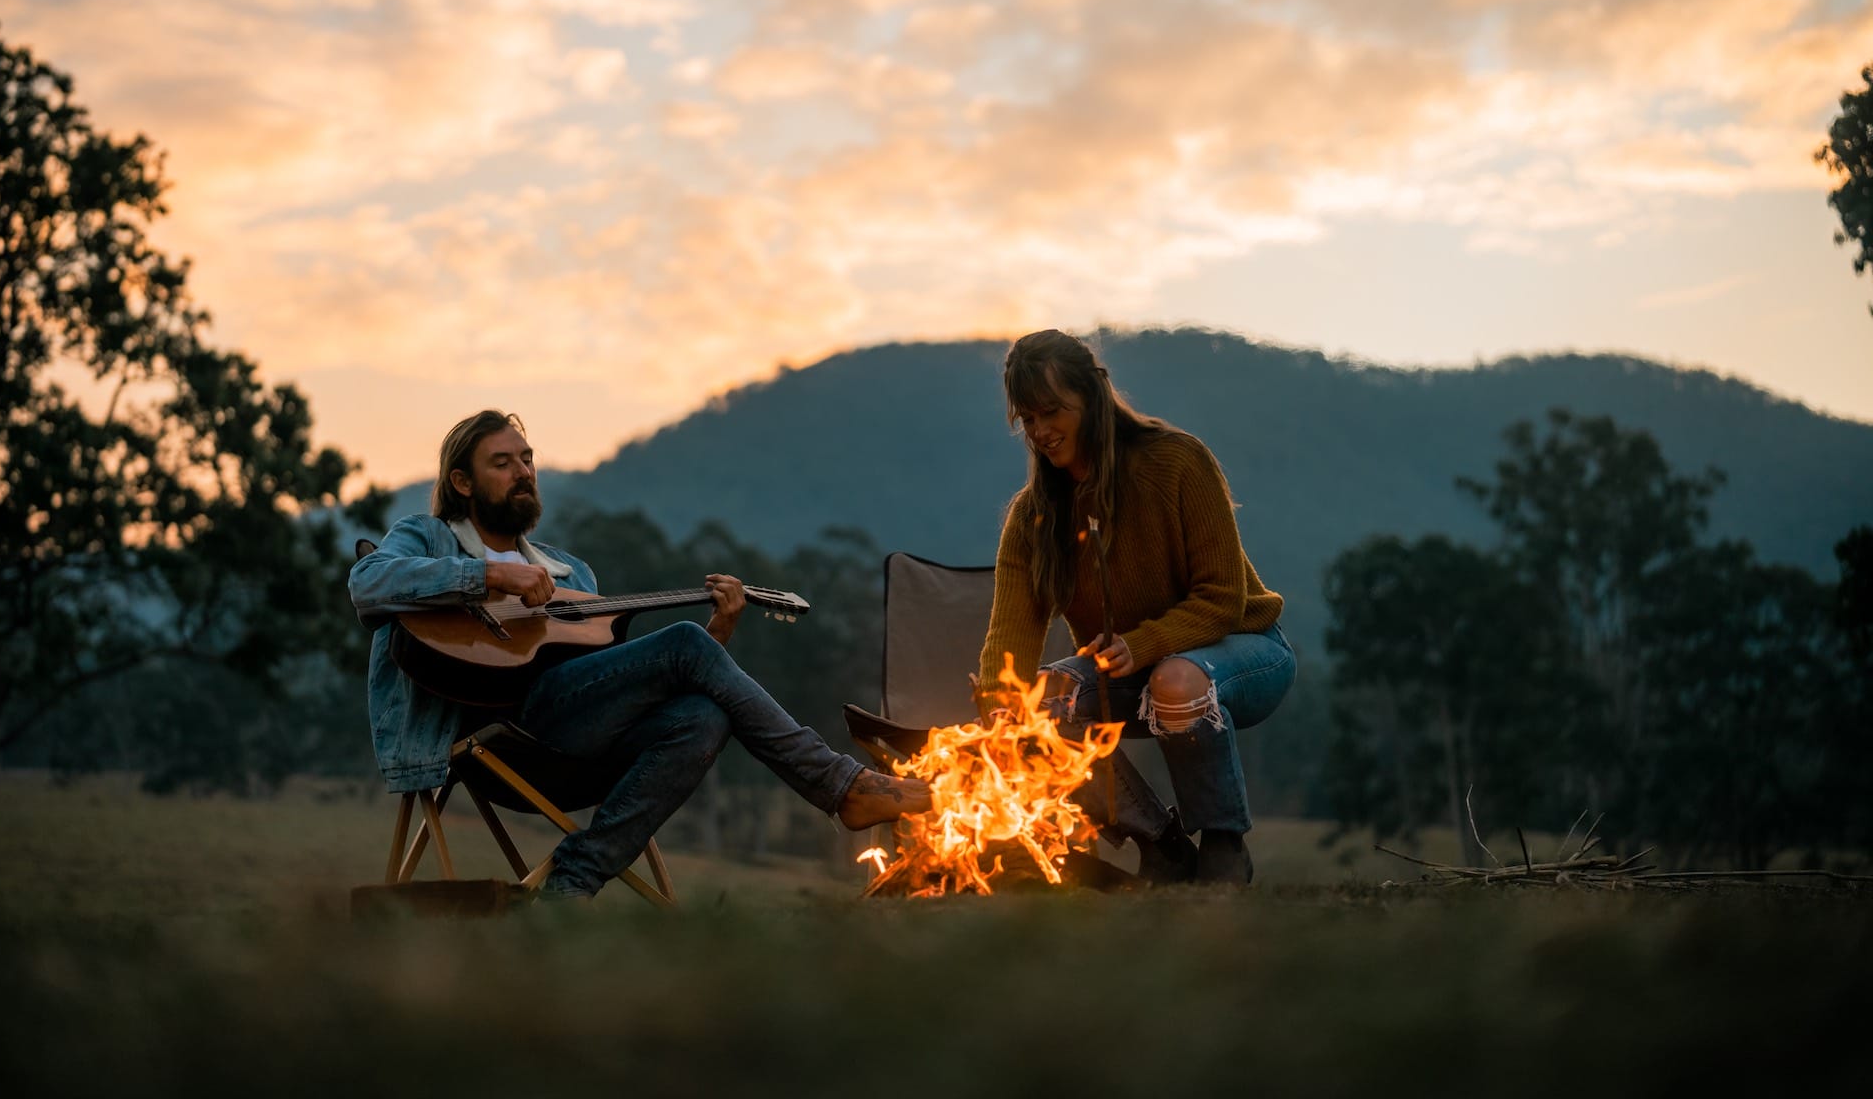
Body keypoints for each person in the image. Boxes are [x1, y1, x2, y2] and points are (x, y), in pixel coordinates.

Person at [350, 409, 928, 901]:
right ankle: (843, 787)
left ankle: (569, 886)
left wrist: (716, 637)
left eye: (527, 459)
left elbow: (624, 682)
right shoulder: (427, 536)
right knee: (682, 645)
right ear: (463, 482)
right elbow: (368, 582)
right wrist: (492, 574)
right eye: (502, 463)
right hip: (491, 740)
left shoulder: (572, 573)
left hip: (573, 742)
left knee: (705, 714)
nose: (523, 472)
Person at [977, 331, 1295, 885]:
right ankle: (1162, 845)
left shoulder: (1178, 463)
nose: (1041, 432)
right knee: (1045, 698)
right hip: (1125, 668)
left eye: (1052, 411)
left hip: (1242, 652)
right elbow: (1010, 638)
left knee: (1176, 679)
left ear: (1094, 397)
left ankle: (1223, 843)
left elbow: (1223, 599)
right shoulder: (1034, 518)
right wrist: (1000, 716)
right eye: (1027, 419)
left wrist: (1143, 644)